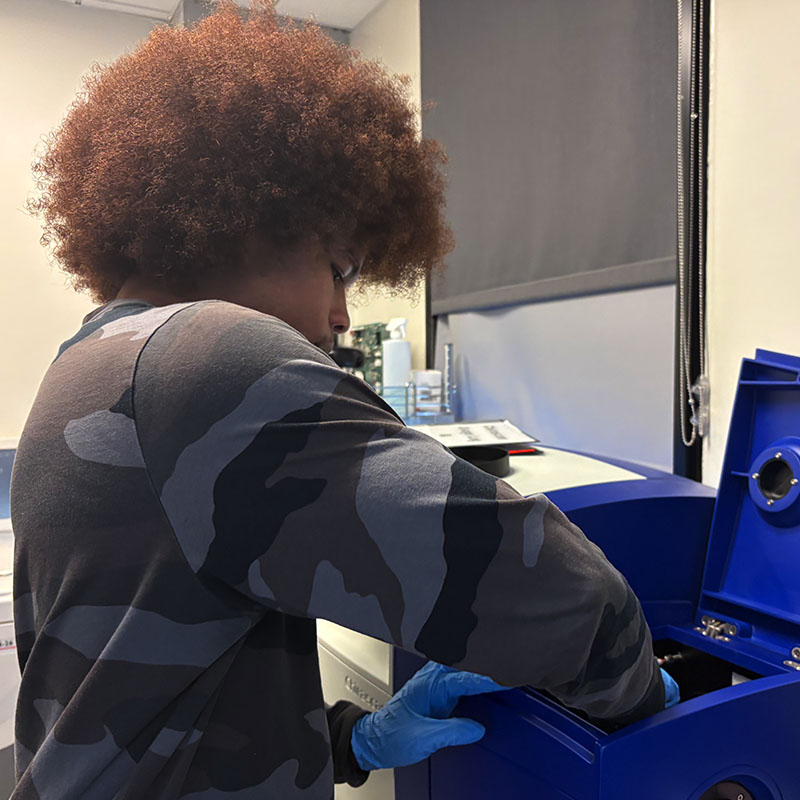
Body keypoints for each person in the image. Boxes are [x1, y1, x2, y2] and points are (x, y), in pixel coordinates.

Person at [10, 2, 678, 798]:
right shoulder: (208, 359)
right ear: (253, 214)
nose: (340, 316)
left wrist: (351, 740)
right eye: (340, 268)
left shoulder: (94, 360)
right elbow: (557, 593)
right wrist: (650, 703)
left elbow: (147, 687)